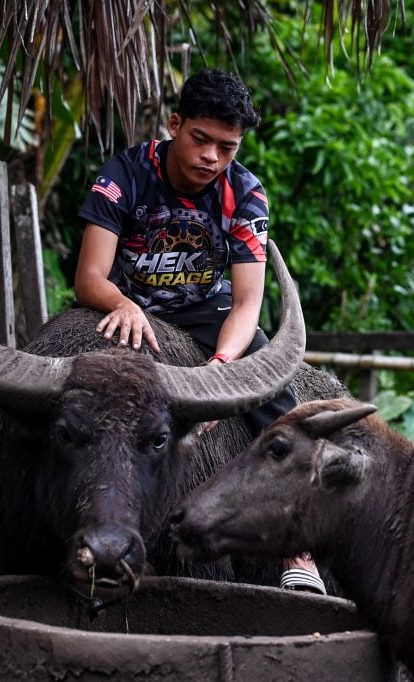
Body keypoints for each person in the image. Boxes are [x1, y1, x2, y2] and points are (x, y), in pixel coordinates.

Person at [73, 68, 324, 596]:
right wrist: (123, 303)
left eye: (227, 148)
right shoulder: (125, 174)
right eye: (200, 139)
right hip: (126, 307)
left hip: (203, 311)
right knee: (63, 388)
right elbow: (90, 277)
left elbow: (248, 303)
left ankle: (298, 546)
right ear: (175, 124)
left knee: (272, 386)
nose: (212, 156)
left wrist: (222, 368)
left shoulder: (245, 194)